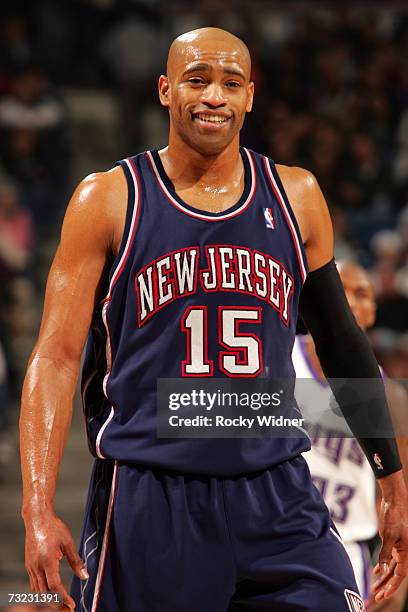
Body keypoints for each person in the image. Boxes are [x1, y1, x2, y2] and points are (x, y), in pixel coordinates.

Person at [20, 27, 408, 611]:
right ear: (164, 90)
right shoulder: (107, 199)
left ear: (250, 95)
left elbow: (343, 341)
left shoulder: (295, 193)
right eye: (197, 80)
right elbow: (56, 355)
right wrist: (37, 506)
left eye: (230, 83)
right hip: (153, 492)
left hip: (276, 486)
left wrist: (391, 478)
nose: (213, 97)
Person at [293, 261, 408, 610]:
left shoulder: (390, 396)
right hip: (279, 533)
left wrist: (394, 575)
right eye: (343, 289)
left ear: (373, 312)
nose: (353, 302)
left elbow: (397, 495)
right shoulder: (282, 359)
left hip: (346, 549)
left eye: (362, 294)